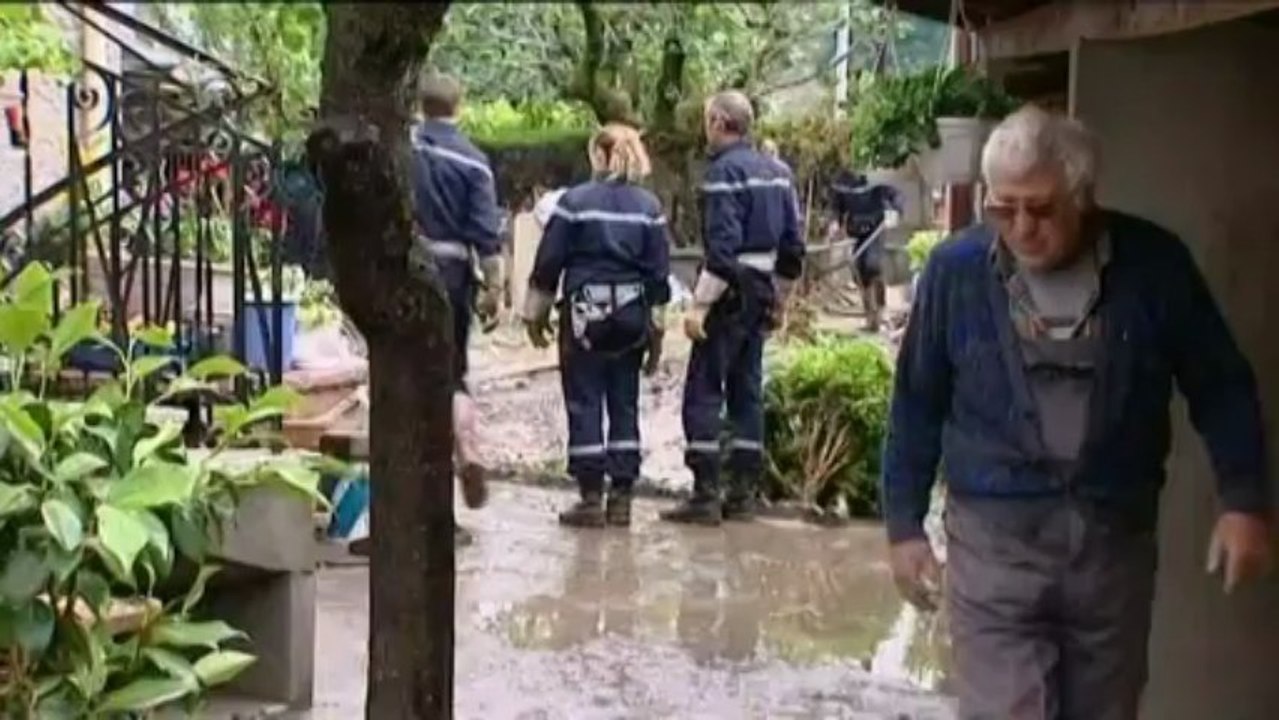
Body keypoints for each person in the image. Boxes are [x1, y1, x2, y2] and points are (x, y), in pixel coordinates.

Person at [882, 105, 1273, 719]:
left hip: (1112, 547)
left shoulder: (1154, 266)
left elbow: (1220, 383)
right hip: (994, 544)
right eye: (1003, 209)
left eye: (1040, 209)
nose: (1021, 227)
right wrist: (904, 527)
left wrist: (1244, 500)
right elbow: (916, 399)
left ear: (1082, 197)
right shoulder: (955, 273)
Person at [660, 91, 805, 526]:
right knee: (747, 391)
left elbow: (722, 252)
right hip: (761, 292)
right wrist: (779, 298)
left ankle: (705, 495)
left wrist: (700, 306)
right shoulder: (778, 174)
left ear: (720, 122)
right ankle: (742, 494)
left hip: (729, 293)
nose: (705, 128)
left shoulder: (722, 174)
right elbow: (793, 249)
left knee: (704, 390)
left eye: (708, 120)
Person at [520, 124, 671, 528]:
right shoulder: (649, 207)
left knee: (584, 399)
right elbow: (659, 275)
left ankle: (589, 498)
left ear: (600, 156)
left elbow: (549, 262)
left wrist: (535, 314)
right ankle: (621, 497)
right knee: (624, 401)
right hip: (631, 316)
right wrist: (657, 332)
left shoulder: (575, 202)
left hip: (584, 317)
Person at [409, 72, 504, 519]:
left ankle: (413, 497)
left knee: (404, 374)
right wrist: (494, 288)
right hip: (452, 275)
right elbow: (486, 234)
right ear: (459, 107)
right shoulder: (473, 161)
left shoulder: (401, 149)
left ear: (419, 104)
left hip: (405, 268)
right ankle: (467, 448)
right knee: (452, 372)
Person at [828, 169, 901, 331]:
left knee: (872, 265)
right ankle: (870, 316)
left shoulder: (873, 179)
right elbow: (836, 207)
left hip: (875, 228)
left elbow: (894, 195)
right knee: (859, 271)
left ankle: (881, 310)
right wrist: (834, 223)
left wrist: (895, 210)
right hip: (856, 230)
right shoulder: (843, 181)